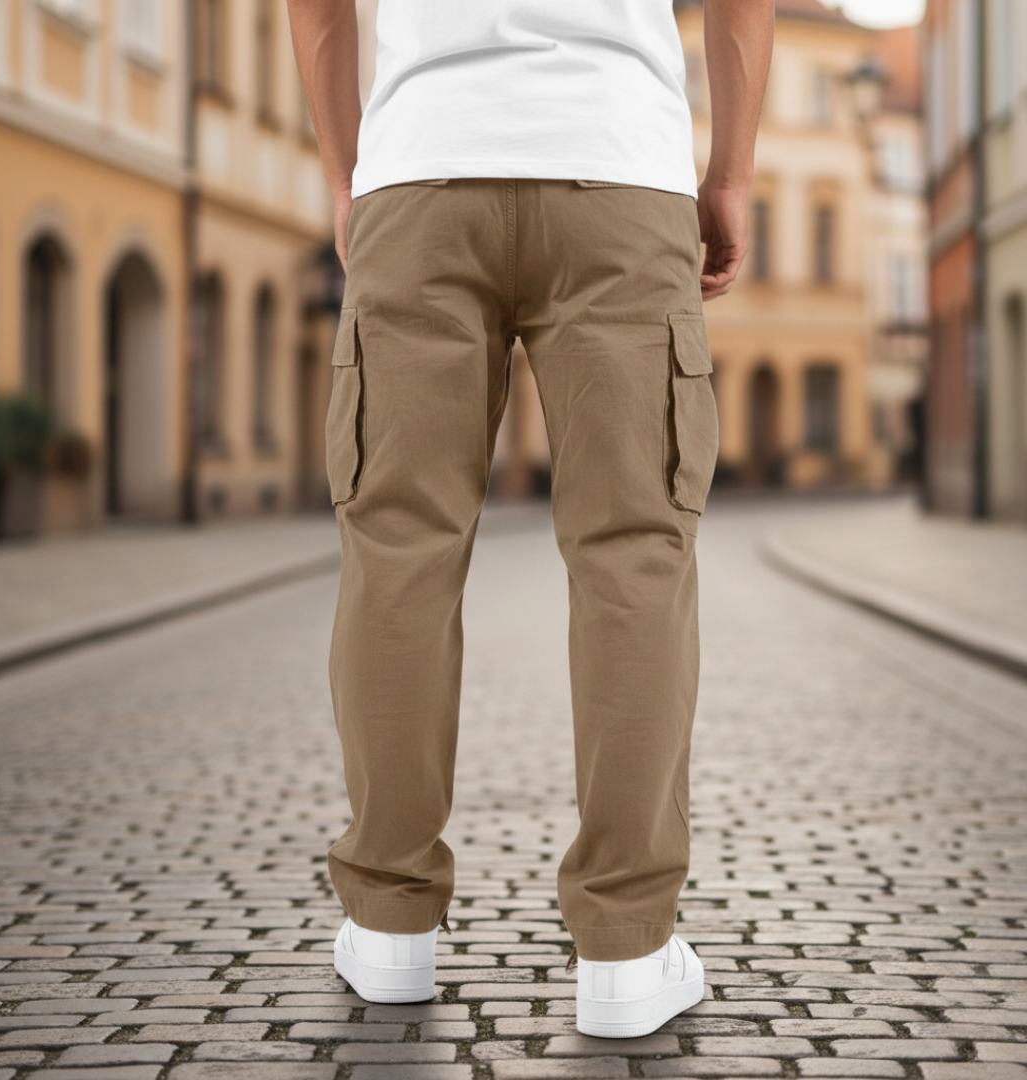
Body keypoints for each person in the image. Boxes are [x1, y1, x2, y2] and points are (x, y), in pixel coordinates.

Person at [287, 0, 774, 1039]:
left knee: (398, 554)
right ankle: (629, 950)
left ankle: (388, 931)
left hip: (420, 170)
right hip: (620, 169)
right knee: (633, 559)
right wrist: (728, 172)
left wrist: (346, 176)